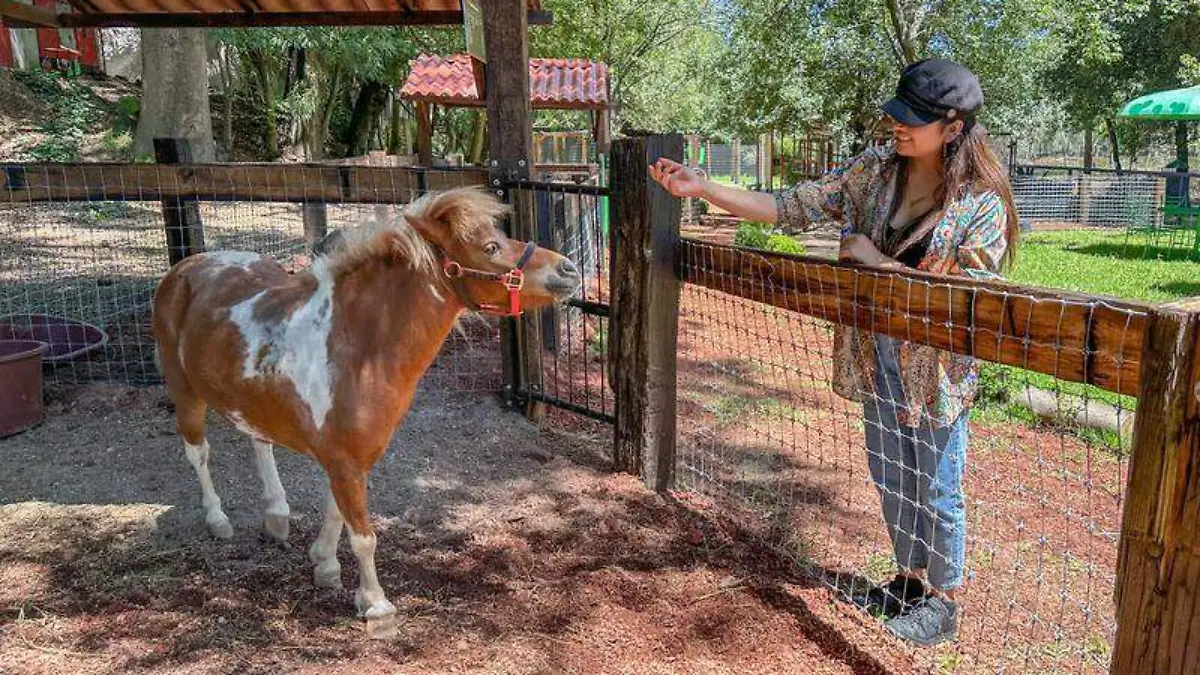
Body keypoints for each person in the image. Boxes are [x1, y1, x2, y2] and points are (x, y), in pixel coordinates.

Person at [650, 59, 1019, 647]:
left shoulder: (982, 206)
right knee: (890, 469)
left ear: (953, 128)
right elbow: (790, 207)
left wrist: (878, 263)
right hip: (874, 353)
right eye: (897, 113)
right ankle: (907, 582)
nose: (897, 126)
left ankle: (944, 601)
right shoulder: (875, 171)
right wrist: (704, 188)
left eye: (914, 120)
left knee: (938, 478)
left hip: (936, 370)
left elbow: (972, 299)